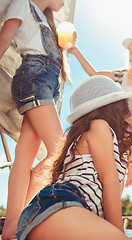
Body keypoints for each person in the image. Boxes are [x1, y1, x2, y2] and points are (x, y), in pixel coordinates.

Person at [16, 75, 132, 240]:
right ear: (113, 109)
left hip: (44, 216)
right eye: (124, 110)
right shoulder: (99, 125)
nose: (127, 117)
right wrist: (119, 234)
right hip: (59, 205)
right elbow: (109, 180)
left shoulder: (93, 139)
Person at [0, 0, 69, 239]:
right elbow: (5, 37)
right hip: (34, 77)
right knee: (60, 152)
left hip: (47, 83)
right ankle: (19, 218)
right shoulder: (22, 4)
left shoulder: (46, 20)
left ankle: (11, 225)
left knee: (26, 153)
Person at [68, 35, 132, 188]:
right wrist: (76, 52)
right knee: (115, 152)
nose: (131, 51)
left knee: (118, 118)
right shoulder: (124, 73)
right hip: (129, 119)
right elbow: (96, 76)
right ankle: (118, 178)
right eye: (129, 49)